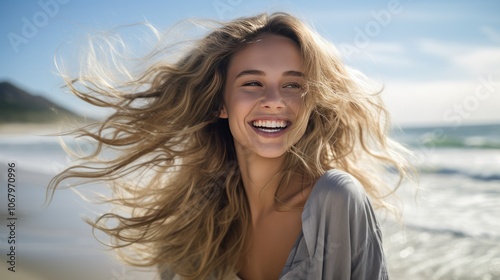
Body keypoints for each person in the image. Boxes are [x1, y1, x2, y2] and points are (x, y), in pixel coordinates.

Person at [48, 12, 413, 280]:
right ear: (221, 104)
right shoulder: (197, 218)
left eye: (293, 85)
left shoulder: (336, 198)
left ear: (312, 101)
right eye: (252, 83)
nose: (274, 100)